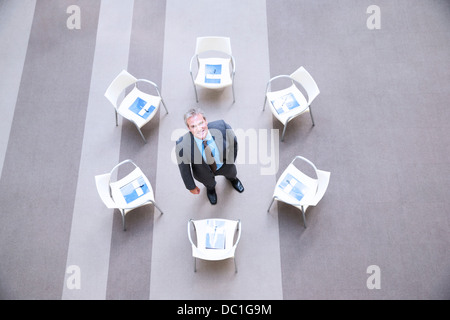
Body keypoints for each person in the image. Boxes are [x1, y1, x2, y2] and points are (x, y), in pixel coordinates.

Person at [175, 108, 244, 204]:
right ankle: (211, 189)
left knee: (231, 174)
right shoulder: (181, 145)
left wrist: (230, 161)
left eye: (200, 123)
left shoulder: (222, 126)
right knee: (209, 184)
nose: (199, 129)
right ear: (189, 128)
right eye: (193, 126)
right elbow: (184, 169)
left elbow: (234, 143)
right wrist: (191, 186)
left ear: (206, 121)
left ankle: (233, 180)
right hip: (203, 172)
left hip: (225, 164)